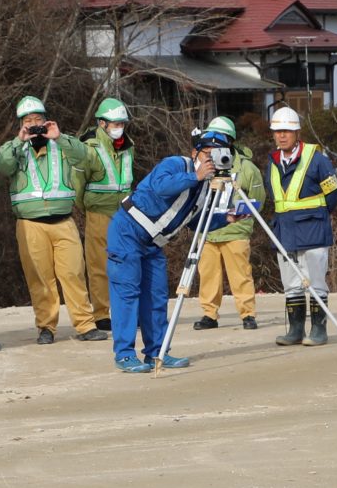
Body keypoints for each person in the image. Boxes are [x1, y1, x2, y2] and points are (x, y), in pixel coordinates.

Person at [104, 122, 237, 373]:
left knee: (156, 296)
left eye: (218, 155)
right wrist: (195, 176)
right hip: (127, 231)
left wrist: (227, 218)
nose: (212, 161)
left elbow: (194, 221)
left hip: (154, 243)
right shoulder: (176, 164)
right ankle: (124, 354)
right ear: (195, 152)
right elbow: (161, 186)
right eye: (208, 154)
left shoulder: (205, 188)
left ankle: (157, 351)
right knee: (127, 293)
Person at [0, 94, 99, 346]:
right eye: (28, 121)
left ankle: (85, 325)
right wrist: (19, 140)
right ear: (21, 124)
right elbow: (1, 165)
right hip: (30, 224)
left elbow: (85, 157)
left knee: (73, 273)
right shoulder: (15, 148)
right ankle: (46, 327)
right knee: (39, 278)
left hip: (63, 221)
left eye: (38, 119)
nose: (34, 125)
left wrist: (58, 137)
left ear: (47, 120)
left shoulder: (61, 145)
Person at [262, 105, 337, 347]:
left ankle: (319, 330)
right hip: (285, 231)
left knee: (316, 283)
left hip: (313, 229)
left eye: (287, 131)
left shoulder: (318, 160)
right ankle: (295, 330)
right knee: (291, 285)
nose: (282, 136)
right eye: (278, 131)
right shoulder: (273, 162)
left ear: (297, 133)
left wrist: (316, 216)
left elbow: (333, 194)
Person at [192, 113, 263, 331]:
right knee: (208, 275)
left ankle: (248, 314)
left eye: (220, 139)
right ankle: (209, 314)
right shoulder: (204, 165)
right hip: (209, 229)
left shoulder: (246, 168)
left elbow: (258, 199)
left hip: (235, 230)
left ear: (230, 141)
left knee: (241, 275)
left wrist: (242, 215)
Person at [78, 97, 136, 332]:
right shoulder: (89, 147)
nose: (119, 127)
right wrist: (88, 207)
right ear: (102, 123)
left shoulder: (128, 146)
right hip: (99, 213)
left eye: (122, 123)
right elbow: (78, 183)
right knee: (99, 265)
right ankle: (102, 314)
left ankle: (126, 311)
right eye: (115, 123)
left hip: (124, 213)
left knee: (128, 263)